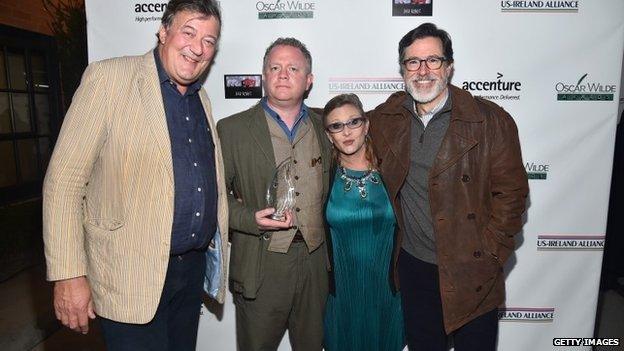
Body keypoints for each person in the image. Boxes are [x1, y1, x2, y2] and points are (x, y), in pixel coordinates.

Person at [42, 0, 228, 349]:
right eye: (189, 32)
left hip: (190, 272)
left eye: (209, 40)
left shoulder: (199, 99)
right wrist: (68, 274)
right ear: (163, 31)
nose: (198, 48)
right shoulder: (108, 79)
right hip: (130, 275)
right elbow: (63, 183)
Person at [368, 23, 529, 351]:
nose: (423, 70)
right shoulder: (390, 117)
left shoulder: (491, 121)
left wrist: (490, 256)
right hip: (414, 268)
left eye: (433, 60)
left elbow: (512, 194)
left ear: (449, 66)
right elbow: (347, 122)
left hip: (471, 270)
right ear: (402, 70)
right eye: (413, 62)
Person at [217, 38, 331, 351]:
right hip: (261, 265)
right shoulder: (232, 130)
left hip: (315, 263)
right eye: (275, 67)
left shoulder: (328, 127)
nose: (283, 74)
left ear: (308, 81)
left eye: (293, 68)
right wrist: (248, 218)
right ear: (264, 76)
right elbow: (213, 199)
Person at [321, 94, 405, 351]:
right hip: (341, 294)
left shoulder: (393, 170)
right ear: (328, 135)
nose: (346, 131)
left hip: (387, 292)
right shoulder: (324, 176)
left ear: (367, 125)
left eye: (353, 122)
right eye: (336, 126)